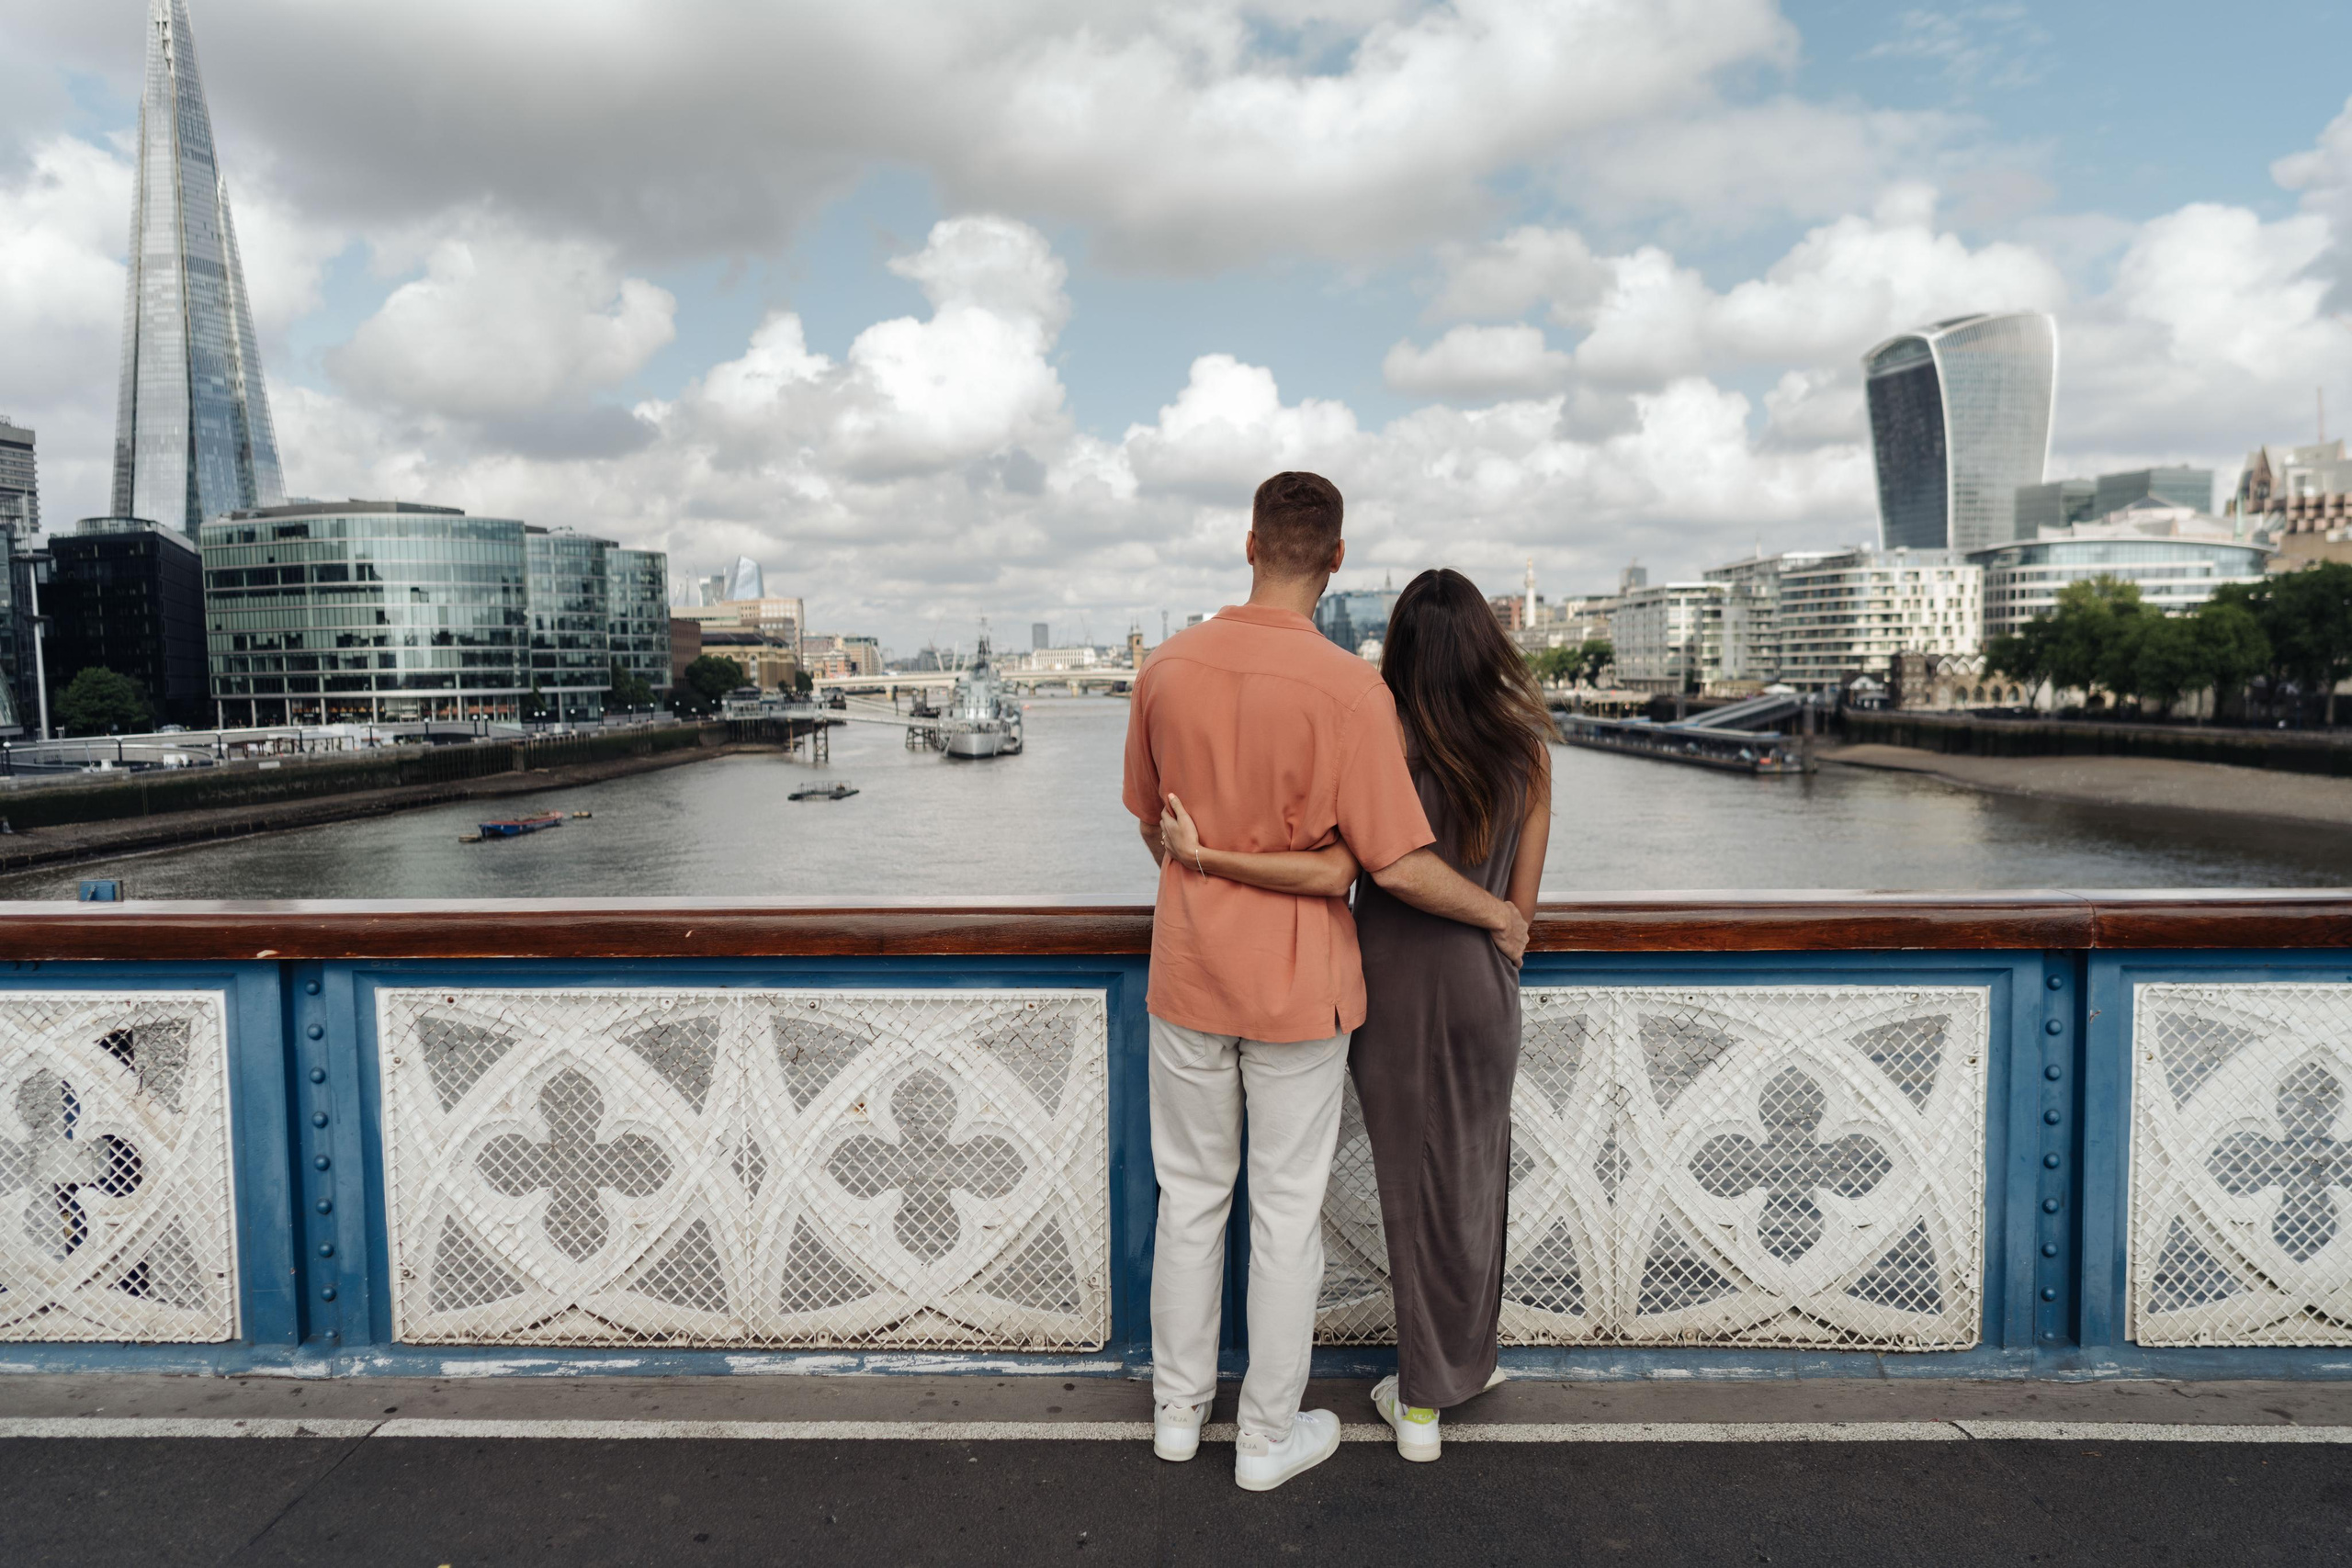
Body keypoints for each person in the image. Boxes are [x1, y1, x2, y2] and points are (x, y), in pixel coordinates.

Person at [1123, 474, 1530, 1494]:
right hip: (1301, 988)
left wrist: (1206, 866)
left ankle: (1178, 1415)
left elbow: (1149, 828)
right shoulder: (1354, 694)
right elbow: (1389, 864)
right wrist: (1497, 914)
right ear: (1337, 559)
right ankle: (1265, 1434)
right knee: (1285, 1212)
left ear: (1247, 542)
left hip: (1187, 975)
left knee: (1190, 1198)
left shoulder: (1163, 668)